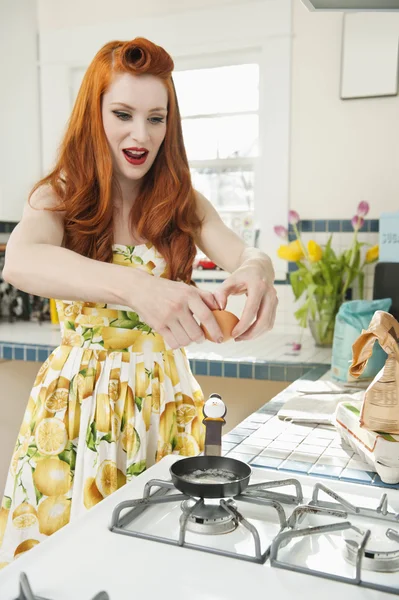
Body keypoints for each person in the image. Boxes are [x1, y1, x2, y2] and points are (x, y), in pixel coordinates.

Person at [0, 37, 277, 567]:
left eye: (157, 118)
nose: (140, 134)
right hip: (79, 412)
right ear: (93, 115)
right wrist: (139, 287)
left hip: (166, 409)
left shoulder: (183, 205)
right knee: (71, 567)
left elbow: (248, 253)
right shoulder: (61, 197)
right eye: (123, 114)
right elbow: (20, 260)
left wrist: (257, 271)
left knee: (162, 566)